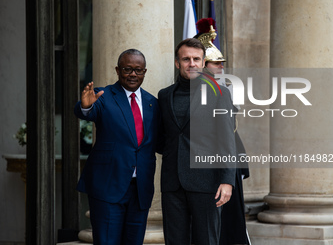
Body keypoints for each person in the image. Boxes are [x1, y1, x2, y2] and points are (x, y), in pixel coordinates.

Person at [74, 49, 161, 245]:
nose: (133, 74)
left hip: (140, 190)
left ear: (144, 72)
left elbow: (159, 141)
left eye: (138, 70)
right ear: (118, 70)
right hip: (108, 187)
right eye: (127, 69)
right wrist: (86, 106)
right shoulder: (103, 96)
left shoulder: (152, 103)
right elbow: (86, 111)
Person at [158, 38, 237, 245]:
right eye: (186, 59)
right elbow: (162, 137)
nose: (191, 64)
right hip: (173, 183)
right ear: (177, 63)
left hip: (207, 182)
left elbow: (227, 140)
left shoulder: (220, 93)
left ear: (203, 63)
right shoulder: (165, 96)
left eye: (196, 59)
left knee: (207, 240)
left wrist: (227, 180)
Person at [195, 18, 250, 245]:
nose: (221, 67)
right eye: (216, 63)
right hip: (206, 167)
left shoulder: (221, 90)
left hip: (226, 166)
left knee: (230, 226)